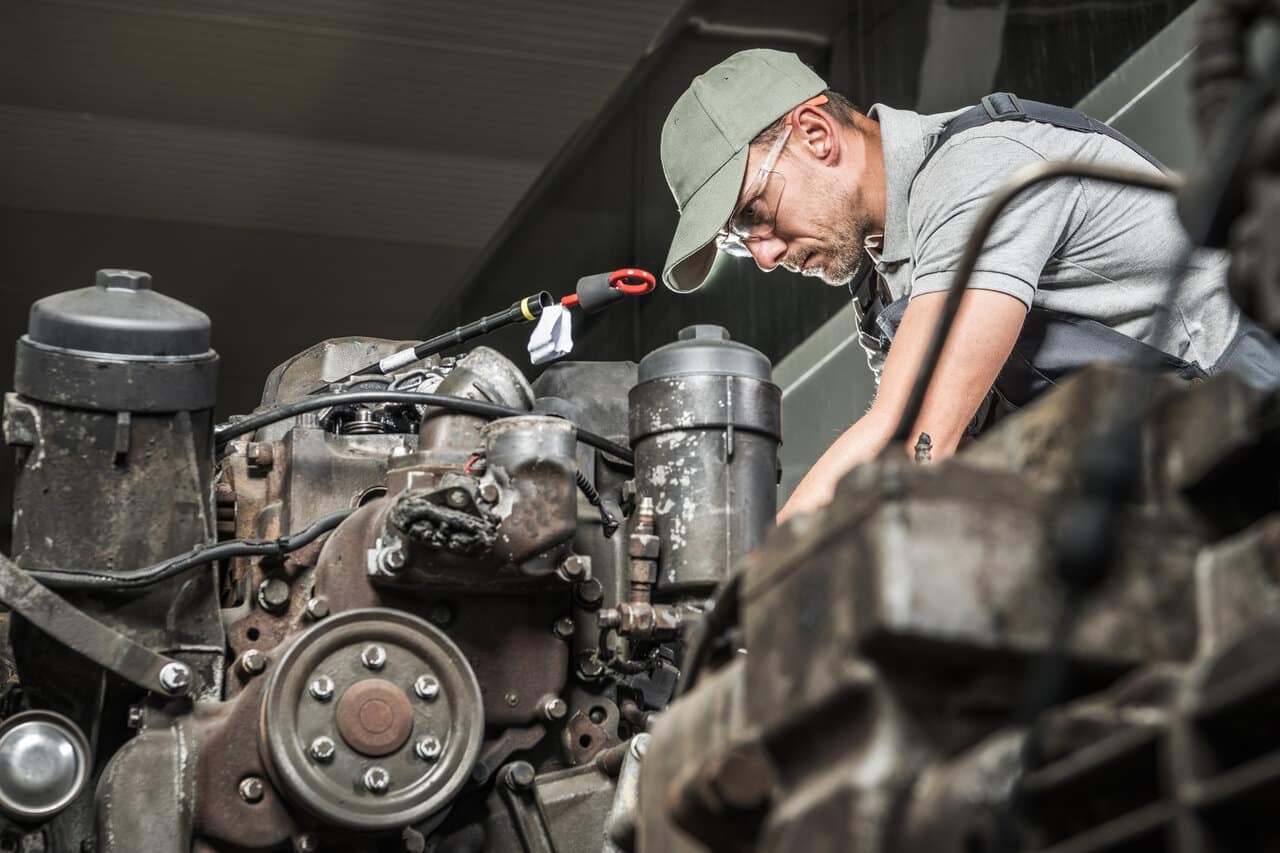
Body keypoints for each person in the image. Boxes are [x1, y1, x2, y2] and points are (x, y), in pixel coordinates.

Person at [658, 48, 1280, 521]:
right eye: (741, 244)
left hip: (1250, 409)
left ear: (817, 136)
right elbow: (959, 466)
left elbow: (915, 438)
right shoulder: (884, 294)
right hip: (1155, 476)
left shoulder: (974, 173)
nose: (763, 257)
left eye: (755, 216)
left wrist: (753, 593)